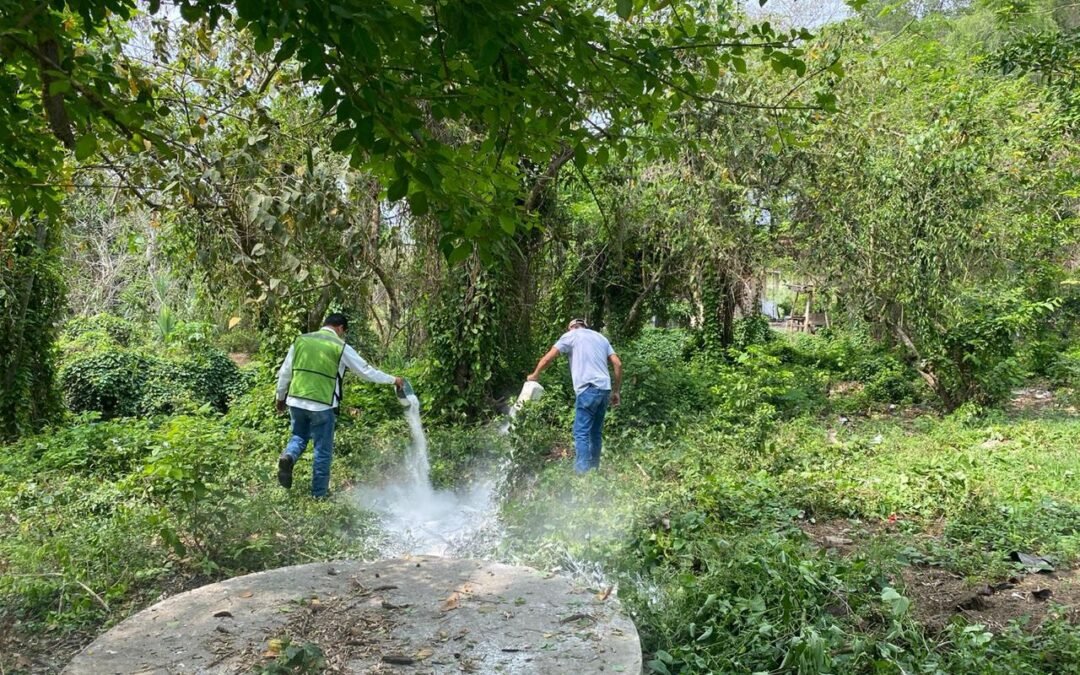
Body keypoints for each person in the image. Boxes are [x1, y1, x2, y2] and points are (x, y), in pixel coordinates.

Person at [275, 313, 404, 497]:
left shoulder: (301, 340)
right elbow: (365, 371)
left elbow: (285, 372)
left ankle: (288, 457)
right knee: (322, 451)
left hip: (296, 401)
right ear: (341, 328)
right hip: (323, 405)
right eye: (344, 332)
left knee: (299, 436)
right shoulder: (340, 346)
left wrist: (280, 398)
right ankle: (319, 496)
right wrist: (394, 380)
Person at [527, 318, 622, 473]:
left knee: (581, 432)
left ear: (571, 328)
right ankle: (594, 471)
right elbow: (617, 364)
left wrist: (535, 375)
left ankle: (582, 475)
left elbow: (548, 358)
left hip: (587, 389)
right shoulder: (601, 337)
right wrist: (616, 391)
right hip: (604, 389)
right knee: (595, 432)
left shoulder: (571, 335)